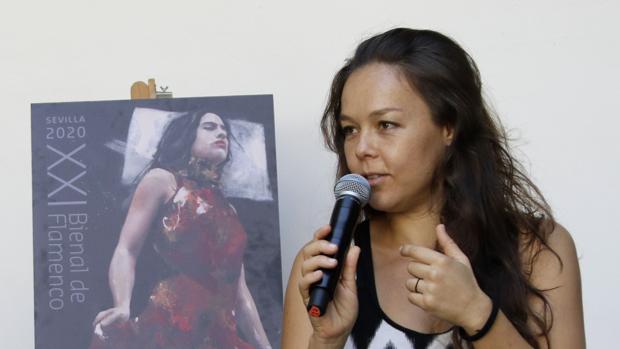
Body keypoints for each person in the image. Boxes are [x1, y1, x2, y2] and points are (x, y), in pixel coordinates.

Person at [282, 28, 585, 349]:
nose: (362, 148)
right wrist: (327, 340)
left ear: (449, 126)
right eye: (350, 130)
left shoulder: (536, 248)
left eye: (386, 124)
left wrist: (477, 314)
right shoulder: (326, 267)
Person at [90, 110, 272, 349]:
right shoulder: (163, 181)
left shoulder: (229, 210)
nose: (221, 133)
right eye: (209, 127)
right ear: (187, 136)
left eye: (224, 130)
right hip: (171, 325)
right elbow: (127, 249)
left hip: (220, 335)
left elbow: (240, 293)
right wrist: (122, 304)